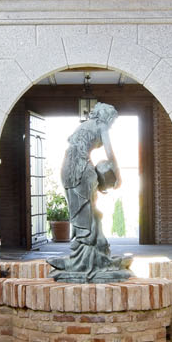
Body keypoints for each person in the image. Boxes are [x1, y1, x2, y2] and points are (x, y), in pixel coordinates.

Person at [52, 102, 129, 280]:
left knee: (86, 211)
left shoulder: (84, 125)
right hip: (81, 170)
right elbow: (110, 152)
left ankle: (86, 256)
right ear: (106, 116)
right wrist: (118, 175)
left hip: (68, 169)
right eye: (112, 120)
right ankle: (87, 258)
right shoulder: (101, 125)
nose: (111, 124)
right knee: (88, 211)